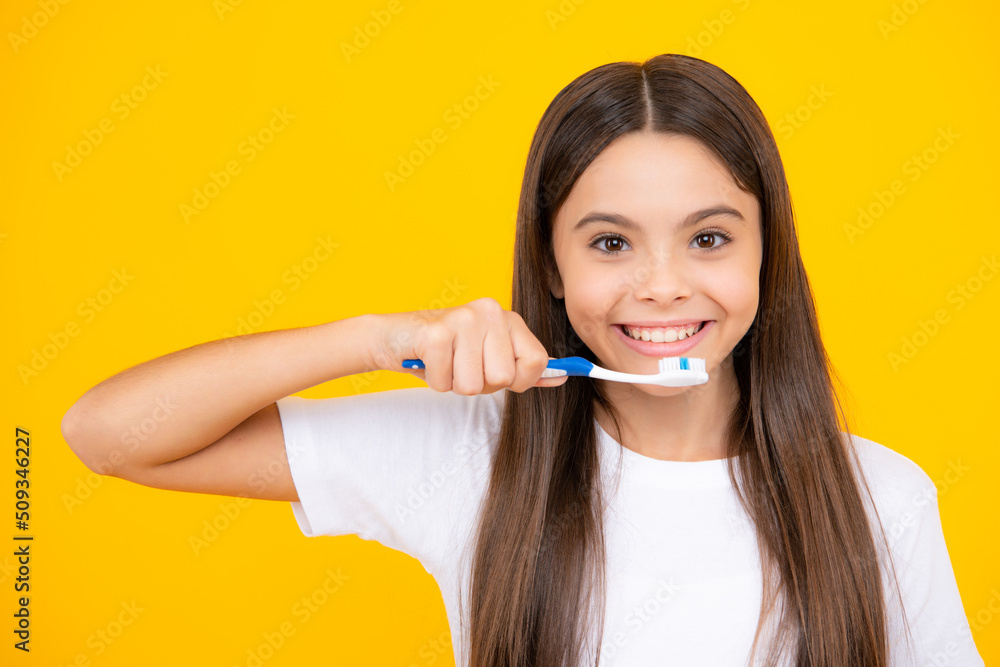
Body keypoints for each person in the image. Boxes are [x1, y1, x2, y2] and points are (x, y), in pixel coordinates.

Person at [61, 54, 984, 667]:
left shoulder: (882, 500)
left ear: (766, 252)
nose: (662, 287)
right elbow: (107, 434)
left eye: (708, 238)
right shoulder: (467, 455)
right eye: (611, 244)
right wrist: (382, 340)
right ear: (550, 262)